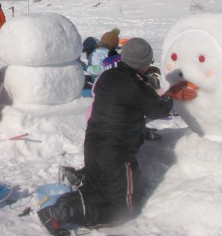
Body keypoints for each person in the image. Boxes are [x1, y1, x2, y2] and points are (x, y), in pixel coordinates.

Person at [39, 38, 198, 234]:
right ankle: (63, 213)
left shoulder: (108, 76)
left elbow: (120, 108)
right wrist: (172, 94)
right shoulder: (135, 85)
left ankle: (60, 207)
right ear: (144, 63)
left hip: (94, 146)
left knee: (97, 190)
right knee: (122, 209)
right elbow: (159, 109)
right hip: (116, 155)